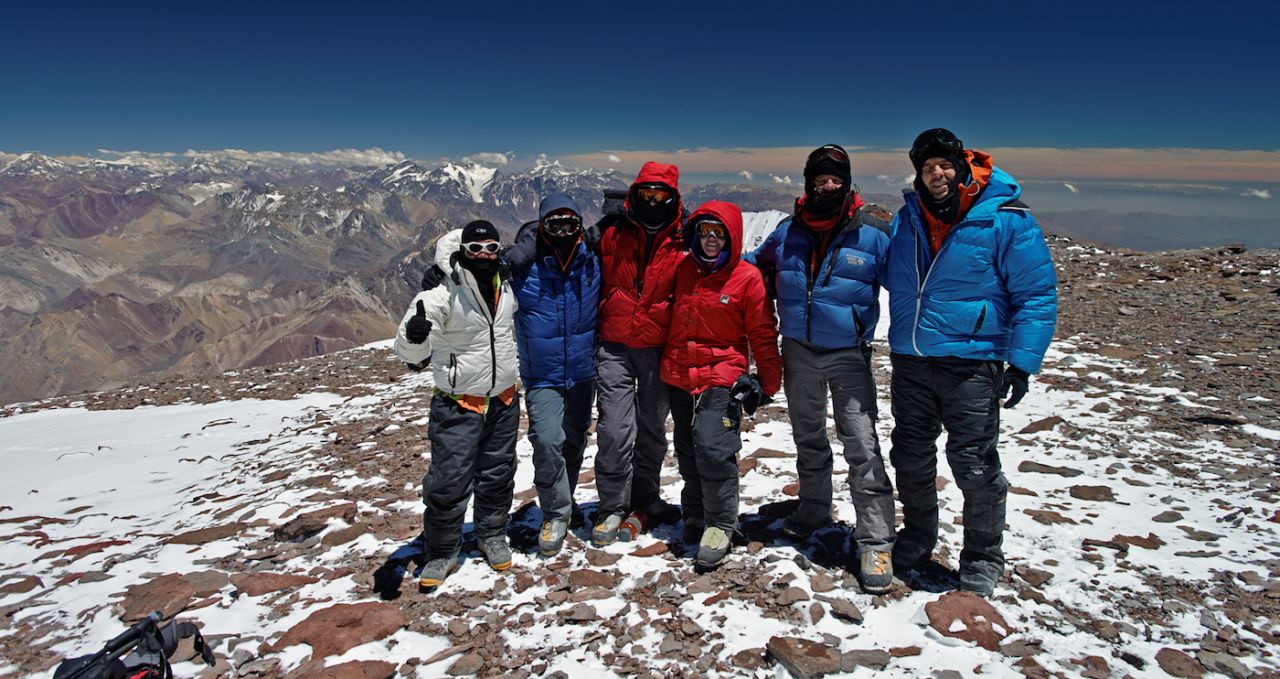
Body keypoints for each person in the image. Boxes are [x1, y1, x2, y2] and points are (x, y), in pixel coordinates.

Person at [884, 128, 1058, 596]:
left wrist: (1021, 362)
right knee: (911, 455)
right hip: (913, 359)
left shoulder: (1005, 219)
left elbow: (1036, 294)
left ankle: (983, 555)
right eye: (926, 167)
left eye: (943, 164)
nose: (936, 174)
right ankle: (919, 534)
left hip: (973, 362)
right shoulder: (908, 219)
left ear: (961, 165)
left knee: (974, 462)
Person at [744, 143, 897, 593]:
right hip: (798, 350)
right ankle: (813, 508)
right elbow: (755, 265)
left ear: (847, 182)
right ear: (809, 182)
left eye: (836, 179)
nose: (828, 185)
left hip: (848, 353)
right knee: (808, 435)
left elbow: (907, 285)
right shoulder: (787, 231)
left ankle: (875, 539)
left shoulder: (871, 234)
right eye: (820, 179)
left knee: (862, 443)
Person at [395, 220, 521, 589]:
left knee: (497, 473)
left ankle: (492, 535)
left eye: (490, 248)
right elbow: (410, 348)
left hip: (503, 399)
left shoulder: (507, 283)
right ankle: (442, 551)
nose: (483, 256)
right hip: (458, 403)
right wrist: (415, 339)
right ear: (462, 252)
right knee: (449, 481)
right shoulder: (440, 290)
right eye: (474, 250)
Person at [661, 201, 781, 569]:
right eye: (705, 232)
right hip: (679, 373)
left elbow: (761, 332)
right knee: (687, 447)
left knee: (713, 448)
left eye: (719, 233)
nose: (711, 239)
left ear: (731, 236)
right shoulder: (683, 270)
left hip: (722, 375)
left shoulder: (746, 277)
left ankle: (721, 522)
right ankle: (695, 512)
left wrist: (768, 383)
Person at [591, 161, 687, 545]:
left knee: (651, 431)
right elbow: (561, 244)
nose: (652, 201)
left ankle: (644, 500)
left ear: (672, 197)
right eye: (646, 193)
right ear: (635, 194)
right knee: (615, 431)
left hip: (656, 350)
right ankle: (612, 506)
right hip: (613, 346)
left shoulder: (684, 238)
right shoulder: (612, 233)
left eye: (660, 194)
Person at [504, 193, 601, 556]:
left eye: (569, 222)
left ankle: (567, 500)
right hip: (542, 375)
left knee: (574, 440)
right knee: (547, 440)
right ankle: (556, 513)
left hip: (582, 371)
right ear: (542, 225)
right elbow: (478, 275)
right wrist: (442, 275)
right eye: (554, 223)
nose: (562, 229)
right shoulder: (523, 265)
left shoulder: (593, 259)